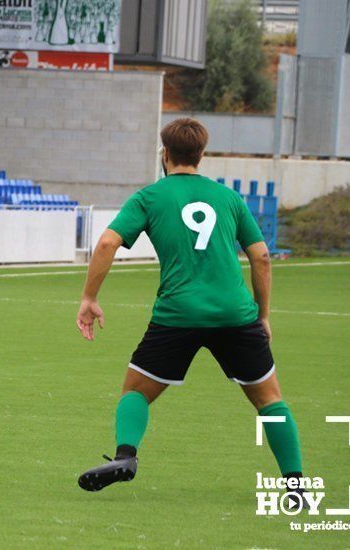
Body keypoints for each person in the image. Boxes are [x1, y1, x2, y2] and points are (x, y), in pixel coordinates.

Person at [76, 118, 303, 492]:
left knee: (135, 392)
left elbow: (105, 244)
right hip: (235, 314)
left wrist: (89, 297)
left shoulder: (150, 197)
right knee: (269, 400)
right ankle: (296, 486)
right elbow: (261, 256)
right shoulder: (229, 198)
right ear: (201, 154)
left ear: (165, 154)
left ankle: (126, 455)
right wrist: (262, 315)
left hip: (177, 315)